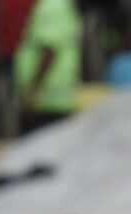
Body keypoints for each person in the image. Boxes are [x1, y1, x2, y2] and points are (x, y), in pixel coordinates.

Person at [13, 0, 81, 134]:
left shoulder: (51, 5)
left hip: (45, 100)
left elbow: (49, 51)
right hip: (55, 98)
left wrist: (32, 94)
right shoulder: (61, 4)